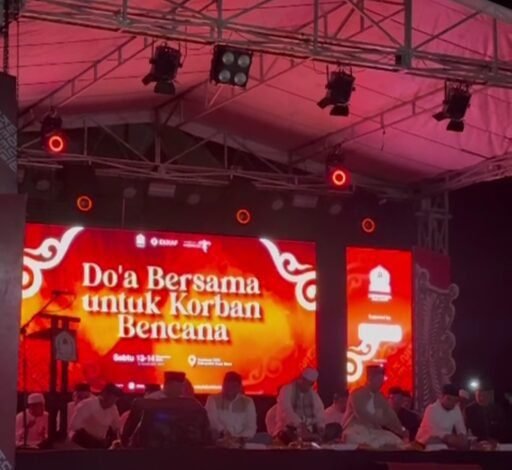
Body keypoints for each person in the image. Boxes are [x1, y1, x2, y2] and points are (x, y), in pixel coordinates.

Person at [121, 371, 209, 447]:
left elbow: (126, 436)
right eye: (181, 387)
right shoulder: (193, 406)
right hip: (176, 452)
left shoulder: (145, 403)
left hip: (155, 452)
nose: (182, 390)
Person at [343, 366, 407, 448]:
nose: (381, 383)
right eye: (379, 380)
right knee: (354, 438)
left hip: (374, 431)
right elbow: (362, 414)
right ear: (370, 378)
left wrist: (402, 430)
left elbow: (391, 416)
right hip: (356, 429)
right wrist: (382, 420)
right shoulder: (356, 394)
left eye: (382, 380)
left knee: (396, 441)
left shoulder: (380, 397)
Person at [275, 368, 326, 443]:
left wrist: (321, 426)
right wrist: (299, 424)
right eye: (305, 382)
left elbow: (320, 412)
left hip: (308, 431)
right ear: (301, 379)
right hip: (287, 430)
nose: (307, 386)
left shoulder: (313, 395)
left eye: (310, 384)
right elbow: (287, 411)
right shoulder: (286, 390)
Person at [205, 372, 257, 442]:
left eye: (234, 386)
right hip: (219, 442)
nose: (230, 390)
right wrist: (224, 433)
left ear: (239, 387)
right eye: (228, 386)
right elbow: (212, 422)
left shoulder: (248, 402)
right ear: (223, 386)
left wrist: (239, 438)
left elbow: (251, 427)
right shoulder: (212, 400)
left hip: (241, 443)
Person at [69, 383, 123, 448]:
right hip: (81, 443)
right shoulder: (87, 404)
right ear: (104, 394)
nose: (111, 403)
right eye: (110, 399)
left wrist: (118, 441)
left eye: (114, 401)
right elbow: (74, 426)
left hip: (99, 445)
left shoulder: (113, 409)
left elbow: (116, 428)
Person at [416, 384, 468, 449]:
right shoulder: (431, 409)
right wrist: (449, 439)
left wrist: (461, 437)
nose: (451, 403)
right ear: (442, 397)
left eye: (455, 400)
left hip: (446, 442)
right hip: (425, 443)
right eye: (449, 399)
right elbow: (433, 434)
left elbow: (461, 431)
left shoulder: (456, 409)